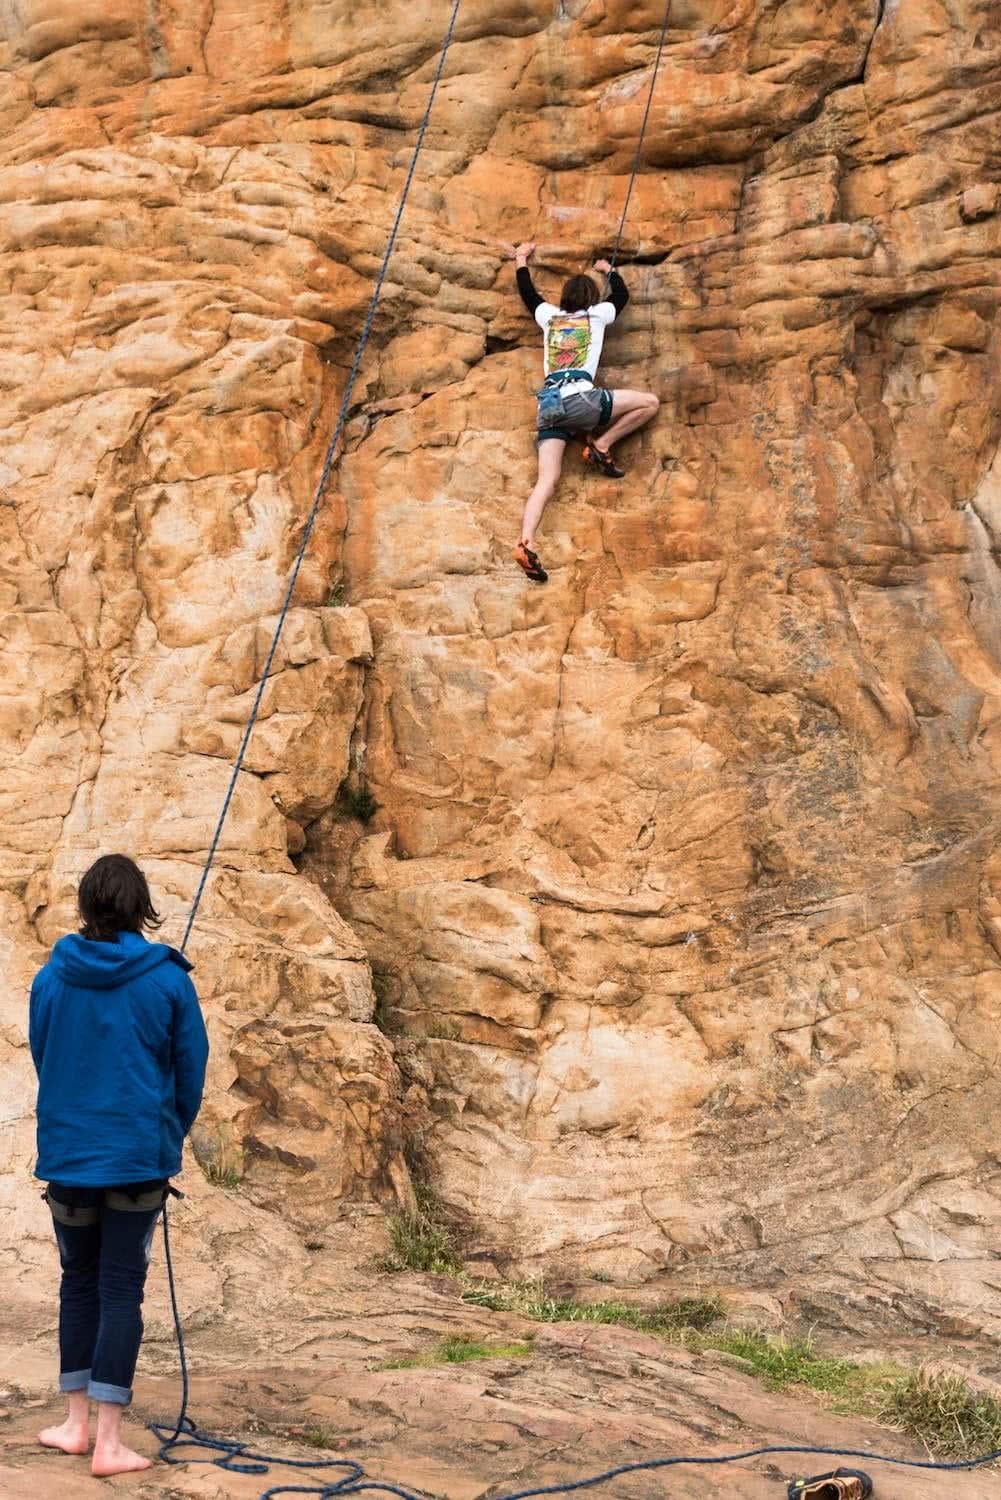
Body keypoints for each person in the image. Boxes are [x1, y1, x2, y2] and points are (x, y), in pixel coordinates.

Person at [28, 854, 209, 1477]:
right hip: (137, 1160)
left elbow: (45, 1057)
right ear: (140, 909)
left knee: (77, 1281)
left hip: (71, 1160)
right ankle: (108, 1442)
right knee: (119, 1289)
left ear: (85, 906)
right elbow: (191, 1074)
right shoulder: (168, 980)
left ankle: (75, 1426)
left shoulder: (50, 977)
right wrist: (165, 1137)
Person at [512, 241, 660, 583]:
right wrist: (608, 271)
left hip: (549, 406)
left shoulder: (550, 317)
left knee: (546, 480)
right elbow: (620, 296)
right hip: (581, 399)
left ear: (564, 299)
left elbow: (528, 294)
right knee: (648, 403)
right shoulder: (597, 315)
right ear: (591, 299)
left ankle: (526, 540)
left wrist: (521, 259)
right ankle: (602, 445)